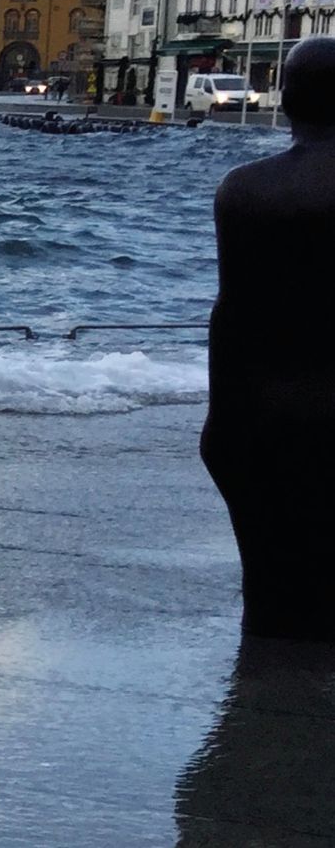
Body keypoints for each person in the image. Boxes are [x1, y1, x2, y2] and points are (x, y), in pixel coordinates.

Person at [201, 36, 335, 639]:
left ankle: (269, 674)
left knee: (272, 590)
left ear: (284, 101)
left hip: (267, 414)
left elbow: (232, 316)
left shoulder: (245, 189)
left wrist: (219, 421)